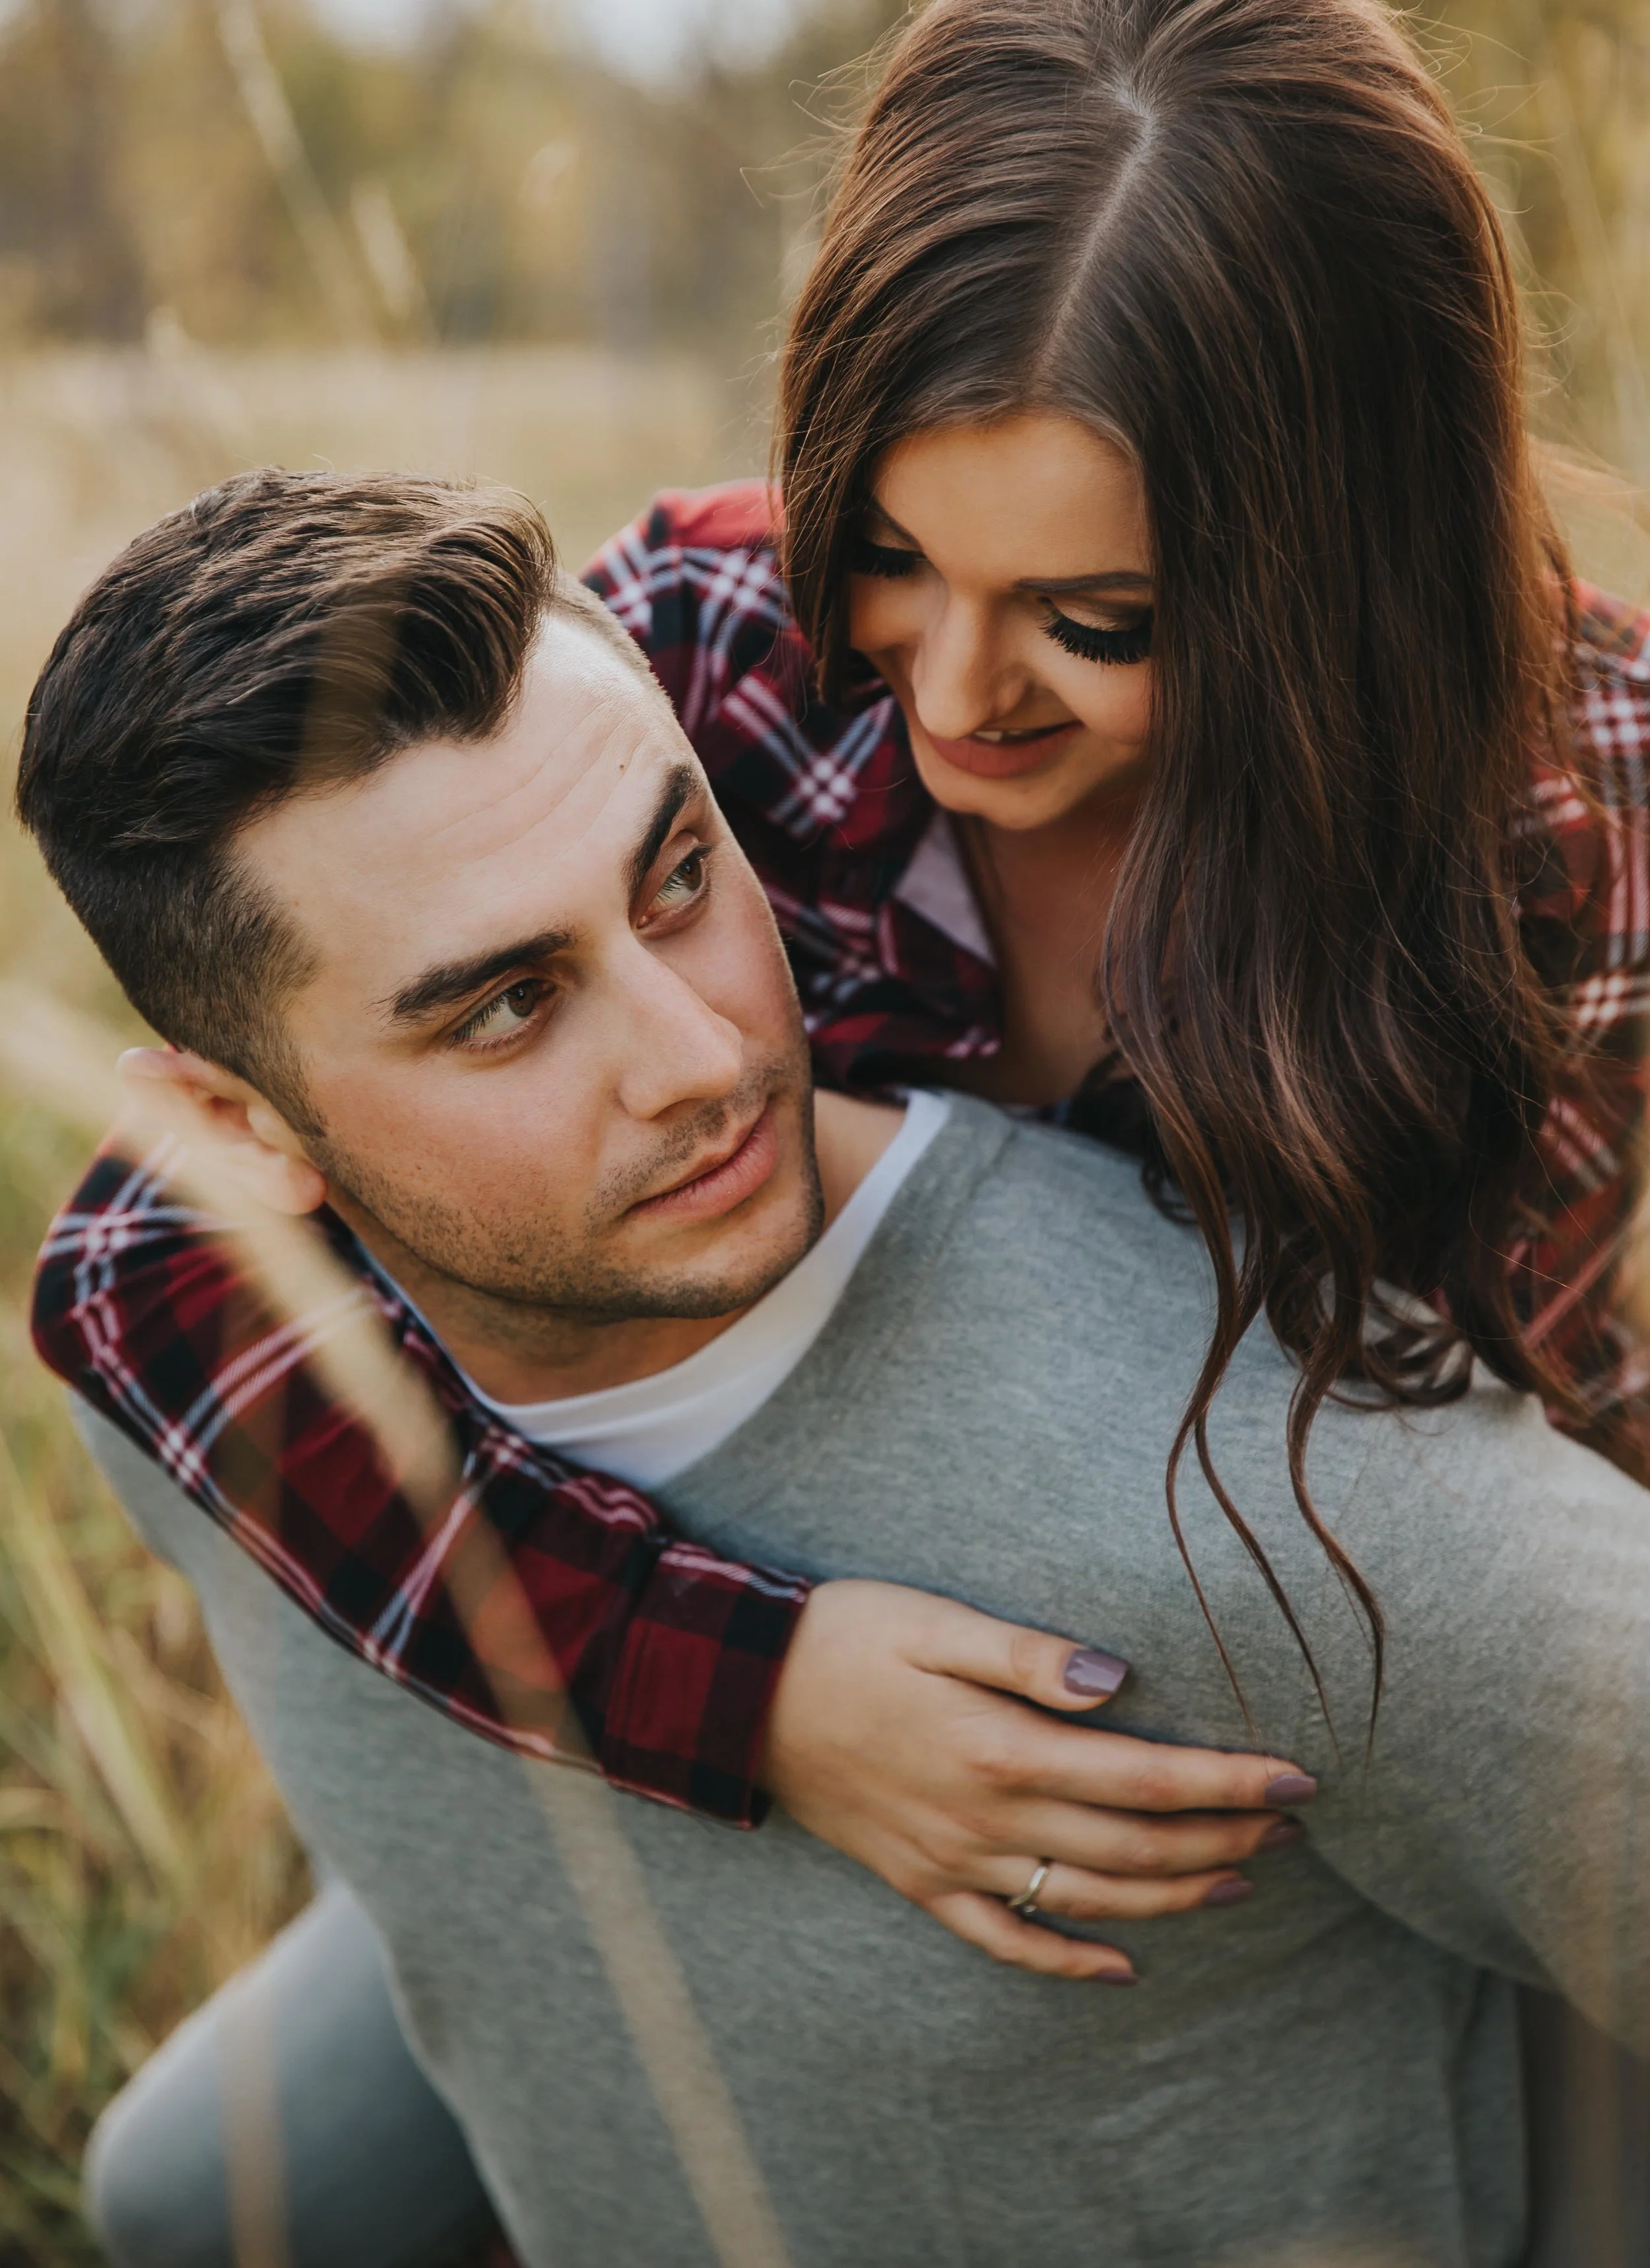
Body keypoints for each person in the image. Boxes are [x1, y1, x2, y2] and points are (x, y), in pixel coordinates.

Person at [33, 0, 1650, 1964]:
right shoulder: (711, 640)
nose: (953, 688)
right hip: (755, 1589)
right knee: (201, 2187)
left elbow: (1491, 1488)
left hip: (1252, 1692)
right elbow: (140, 1258)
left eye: (1103, 621)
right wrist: (750, 1694)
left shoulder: (1563, 839)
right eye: (889, 549)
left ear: (1336, 569)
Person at [24, 472, 1650, 2268]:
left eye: (678, 874)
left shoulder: (1309, 1498)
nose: (705, 1049)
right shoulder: (195, 1416)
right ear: (239, 1132)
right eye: (504, 1002)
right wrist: (752, 1690)